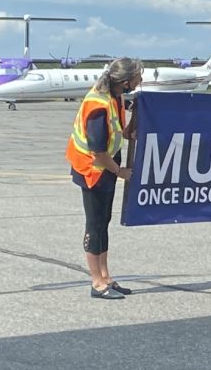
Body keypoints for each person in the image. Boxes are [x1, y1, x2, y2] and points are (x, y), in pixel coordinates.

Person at [65, 57, 142, 299]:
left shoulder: (115, 96)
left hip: (106, 167)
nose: (142, 80)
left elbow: (115, 130)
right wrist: (120, 172)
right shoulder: (97, 105)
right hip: (93, 170)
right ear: (127, 81)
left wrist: (128, 130)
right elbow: (98, 152)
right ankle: (96, 282)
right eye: (139, 76)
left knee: (104, 221)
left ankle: (106, 276)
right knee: (95, 224)